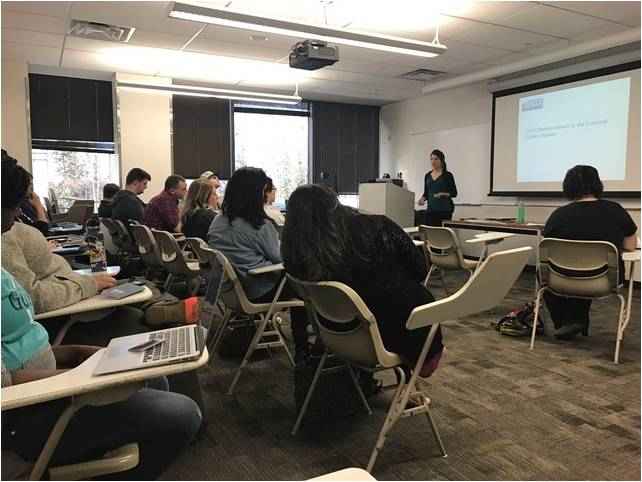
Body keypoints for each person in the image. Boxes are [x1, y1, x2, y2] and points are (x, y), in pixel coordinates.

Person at [282, 184, 444, 377]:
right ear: (335, 204)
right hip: (398, 337)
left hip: (336, 336)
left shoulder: (299, 257)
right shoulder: (378, 226)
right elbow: (419, 270)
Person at [208, 167, 308, 358]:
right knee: (305, 286)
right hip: (258, 290)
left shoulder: (218, 221)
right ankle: (303, 347)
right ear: (256, 193)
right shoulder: (259, 225)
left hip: (230, 291)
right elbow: (282, 259)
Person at [542, 165, 637, 339]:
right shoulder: (615, 209)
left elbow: (546, 246)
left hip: (560, 280)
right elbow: (630, 246)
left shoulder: (559, 215)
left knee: (552, 273)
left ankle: (566, 322)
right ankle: (575, 321)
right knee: (589, 268)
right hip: (604, 281)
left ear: (568, 186)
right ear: (597, 184)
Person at [418, 149, 458, 227]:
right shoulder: (427, 175)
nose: (433, 161)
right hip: (431, 211)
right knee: (430, 235)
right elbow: (426, 193)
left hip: (444, 211)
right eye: (431, 159)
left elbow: (454, 193)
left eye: (436, 159)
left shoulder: (448, 175)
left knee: (442, 235)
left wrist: (443, 194)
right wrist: (422, 199)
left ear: (441, 160)